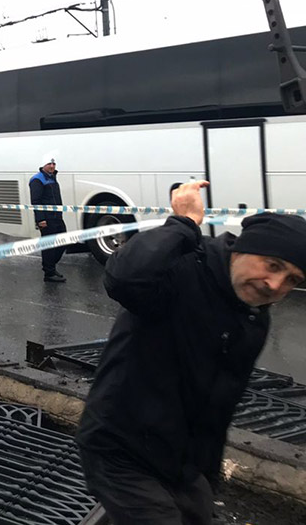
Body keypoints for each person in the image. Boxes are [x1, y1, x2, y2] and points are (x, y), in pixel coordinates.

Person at [76, 181, 306, 523]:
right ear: (243, 249)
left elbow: (220, 402)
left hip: (181, 461)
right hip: (120, 448)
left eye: (291, 279)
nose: (276, 285)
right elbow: (124, 279)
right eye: (271, 265)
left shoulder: (254, 317)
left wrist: (207, 474)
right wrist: (182, 225)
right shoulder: (183, 270)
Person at [30, 153, 67, 282]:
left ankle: (50, 266)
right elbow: (36, 201)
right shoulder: (37, 180)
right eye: (49, 164)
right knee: (49, 246)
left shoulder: (52, 178)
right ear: (43, 165)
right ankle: (49, 273)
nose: (52, 166)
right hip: (47, 218)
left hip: (57, 217)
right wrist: (40, 220)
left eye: (53, 164)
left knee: (63, 242)